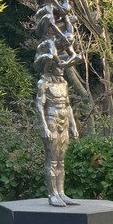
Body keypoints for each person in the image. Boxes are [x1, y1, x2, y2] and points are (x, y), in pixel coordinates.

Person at [35, 44, 79, 208]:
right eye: (59, 65)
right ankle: (52, 193)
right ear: (51, 66)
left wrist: (73, 125)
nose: (62, 69)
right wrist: (44, 127)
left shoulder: (64, 83)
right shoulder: (43, 83)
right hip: (51, 120)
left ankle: (61, 192)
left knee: (61, 161)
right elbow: (39, 105)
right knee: (52, 160)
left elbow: (68, 105)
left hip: (64, 121)